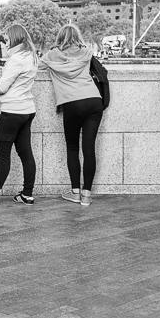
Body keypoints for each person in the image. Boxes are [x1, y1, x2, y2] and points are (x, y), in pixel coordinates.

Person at [38, 24, 103, 206]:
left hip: (72, 103)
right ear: (78, 36)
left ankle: (75, 192)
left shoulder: (52, 55)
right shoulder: (87, 53)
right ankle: (87, 196)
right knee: (89, 149)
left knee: (73, 148)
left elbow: (36, 66)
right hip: (93, 100)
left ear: (60, 37)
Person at [0, 24, 38, 207]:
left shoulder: (16, 59)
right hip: (27, 110)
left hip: (12, 111)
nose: (5, 42)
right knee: (25, 152)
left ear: (14, 39)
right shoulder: (32, 56)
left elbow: (2, 87)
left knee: (3, 154)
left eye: (6, 39)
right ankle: (27, 193)